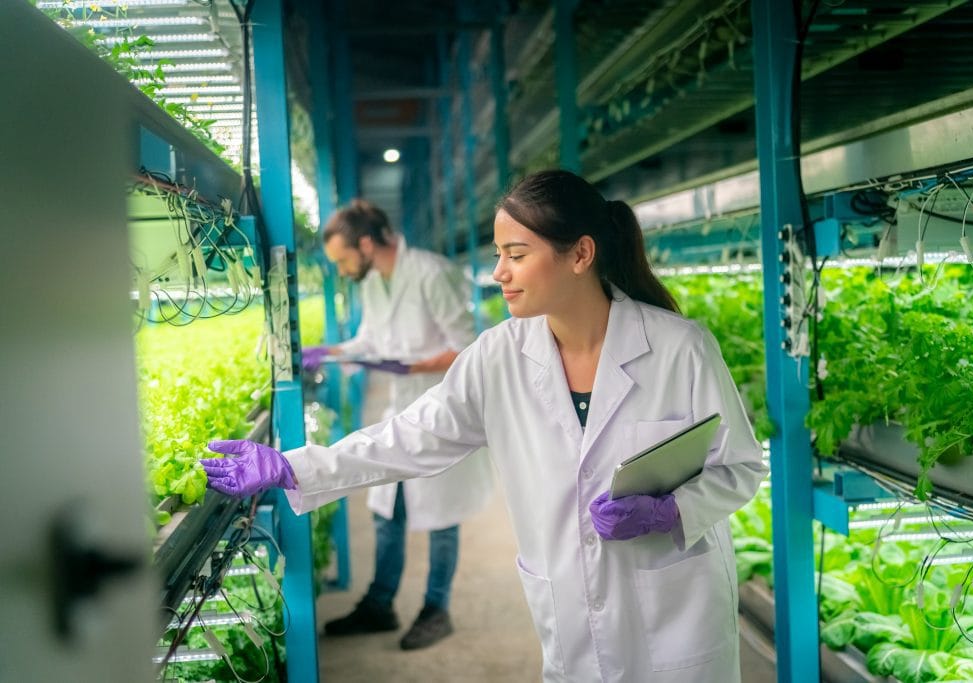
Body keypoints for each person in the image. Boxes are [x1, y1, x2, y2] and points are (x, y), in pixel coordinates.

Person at [203, 170, 767, 681]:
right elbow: (408, 437)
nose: (498, 272)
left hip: (679, 613)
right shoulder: (499, 357)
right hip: (572, 617)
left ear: (580, 255)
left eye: (516, 254)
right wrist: (294, 465)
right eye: (499, 253)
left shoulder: (679, 348)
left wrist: (673, 510)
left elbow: (740, 466)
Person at [294, 199, 493, 650]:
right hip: (402, 408)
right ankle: (379, 604)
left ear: (366, 244)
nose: (343, 270)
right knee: (388, 511)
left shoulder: (431, 272)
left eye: (344, 259)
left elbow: (469, 346)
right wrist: (330, 352)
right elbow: (370, 339)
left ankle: (436, 608)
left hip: (445, 410)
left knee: (443, 518)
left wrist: (416, 367)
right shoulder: (372, 282)